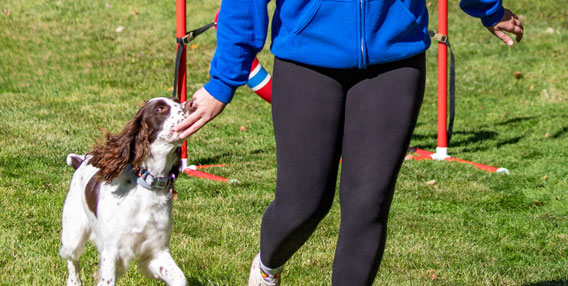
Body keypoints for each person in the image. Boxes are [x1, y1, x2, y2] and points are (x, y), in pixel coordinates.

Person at [176, 0, 524, 285]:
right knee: (303, 205)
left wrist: (489, 9)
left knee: (368, 205)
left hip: (395, 59)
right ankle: (267, 268)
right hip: (306, 60)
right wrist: (223, 81)